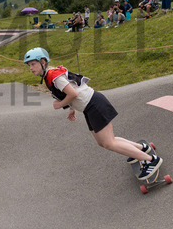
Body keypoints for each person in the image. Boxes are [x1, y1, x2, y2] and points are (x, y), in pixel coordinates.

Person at [23, 47, 163, 180]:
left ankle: (150, 160)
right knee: (103, 142)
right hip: (88, 107)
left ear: (43, 62)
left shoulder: (54, 76)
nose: (31, 68)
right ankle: (142, 148)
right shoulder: (50, 75)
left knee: (109, 143)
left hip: (94, 104)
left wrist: (60, 105)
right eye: (29, 65)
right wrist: (71, 109)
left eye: (33, 64)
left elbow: (72, 93)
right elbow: (71, 89)